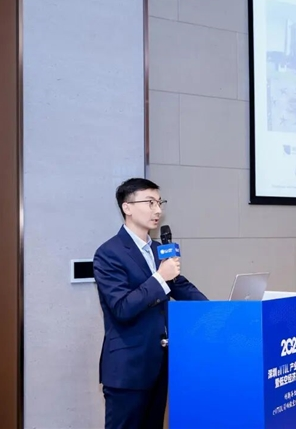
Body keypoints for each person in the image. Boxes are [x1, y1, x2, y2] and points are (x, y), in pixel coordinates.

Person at [93, 177, 208, 429]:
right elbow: (122, 308)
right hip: (128, 370)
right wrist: (159, 278)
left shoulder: (159, 250)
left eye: (160, 203)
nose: (158, 210)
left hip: (159, 364)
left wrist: (218, 310)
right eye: (150, 203)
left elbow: (182, 287)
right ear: (127, 207)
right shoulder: (109, 253)